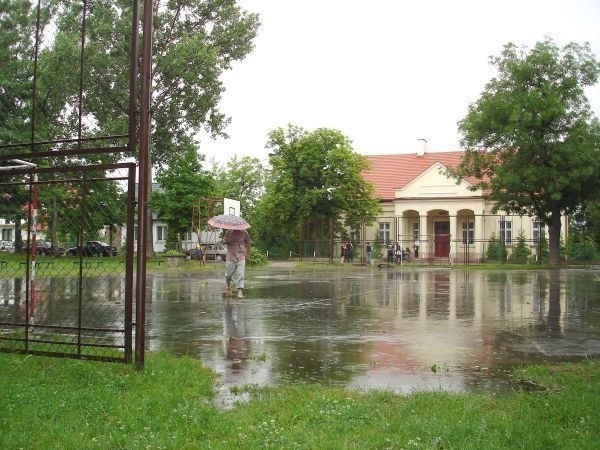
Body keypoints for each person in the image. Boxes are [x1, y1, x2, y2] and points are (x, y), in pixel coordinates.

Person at [223, 228, 252, 299]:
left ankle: (240, 291)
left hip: (241, 256)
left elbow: (248, 242)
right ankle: (228, 286)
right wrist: (226, 240)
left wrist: (248, 253)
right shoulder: (228, 231)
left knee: (241, 274)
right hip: (230, 256)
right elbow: (224, 241)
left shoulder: (244, 232)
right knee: (228, 275)